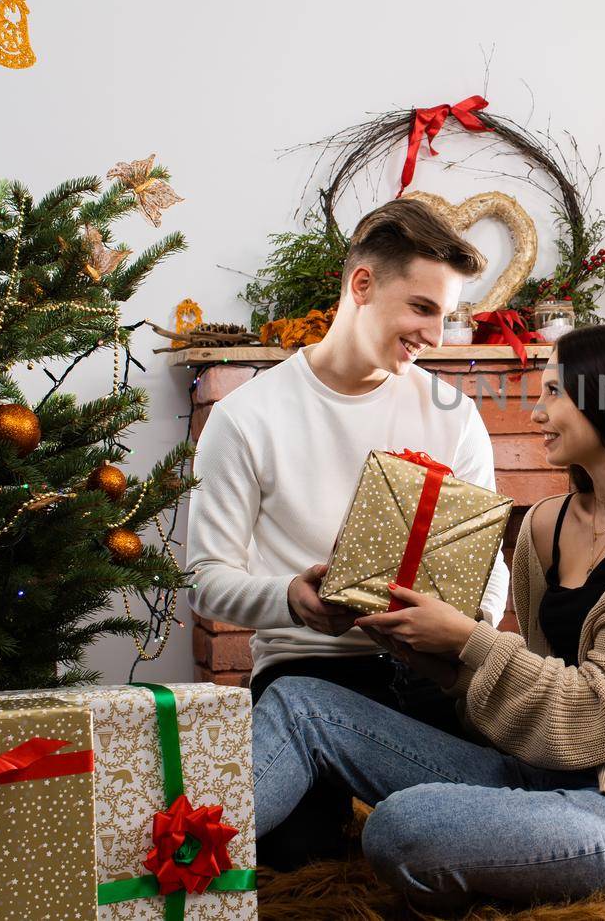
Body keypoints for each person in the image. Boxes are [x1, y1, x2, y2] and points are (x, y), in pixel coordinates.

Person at [251, 324, 605, 914]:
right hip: (538, 774)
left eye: (554, 393)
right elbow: (543, 685)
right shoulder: (545, 524)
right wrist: (416, 643)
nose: (537, 413)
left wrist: (468, 639)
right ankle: (167, 860)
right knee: (299, 702)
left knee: (403, 826)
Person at [187, 198, 510, 869]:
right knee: (296, 859)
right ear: (361, 285)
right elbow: (205, 579)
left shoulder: (454, 415)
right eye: (422, 307)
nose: (437, 335)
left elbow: (490, 562)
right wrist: (291, 598)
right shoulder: (247, 416)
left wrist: (470, 621)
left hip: (424, 671)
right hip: (305, 667)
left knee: (497, 807)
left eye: (446, 316)